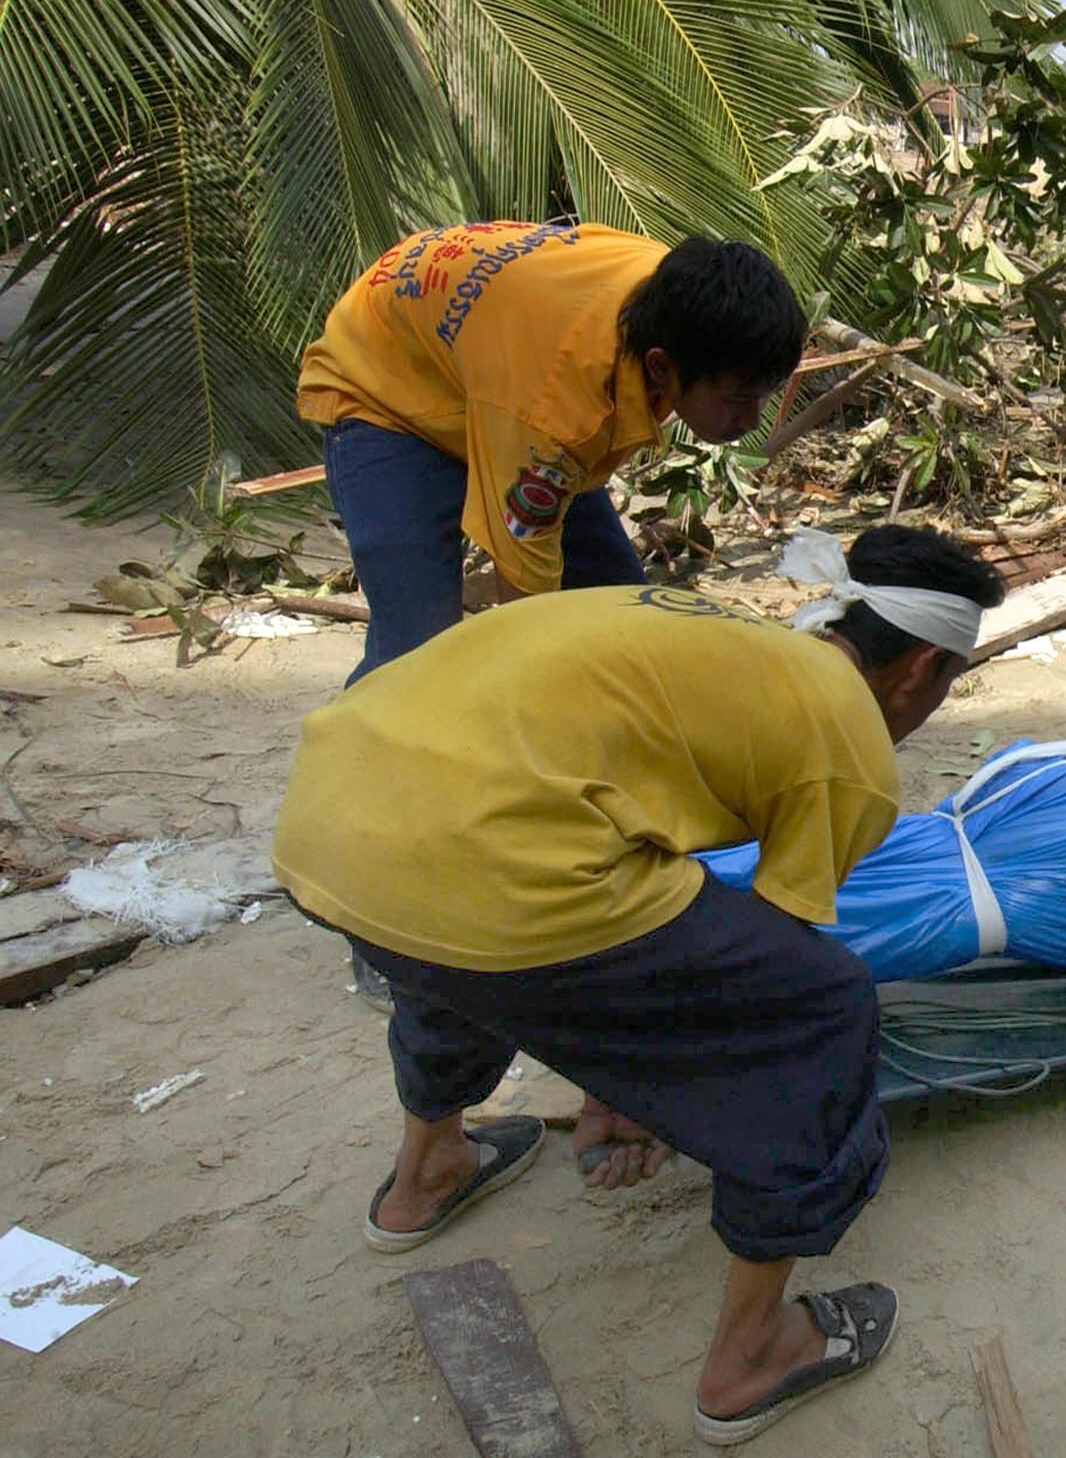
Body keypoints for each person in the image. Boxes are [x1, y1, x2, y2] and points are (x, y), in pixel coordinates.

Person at [270, 527, 1005, 1446]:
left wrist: (611, 1077)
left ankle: (424, 1179)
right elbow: (753, 979)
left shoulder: (716, 636)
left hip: (332, 823)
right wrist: (644, 1087)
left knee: (456, 935)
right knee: (821, 1006)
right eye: (949, 685)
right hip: (486, 868)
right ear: (923, 668)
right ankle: (753, 1354)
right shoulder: (850, 742)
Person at [298, 220, 805, 1008]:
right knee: (418, 654)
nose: (754, 419)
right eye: (740, 399)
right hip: (386, 387)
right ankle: (371, 893)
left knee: (625, 609)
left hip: (484, 354)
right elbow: (525, 624)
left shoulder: (668, 296)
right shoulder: (553, 412)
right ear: (666, 368)